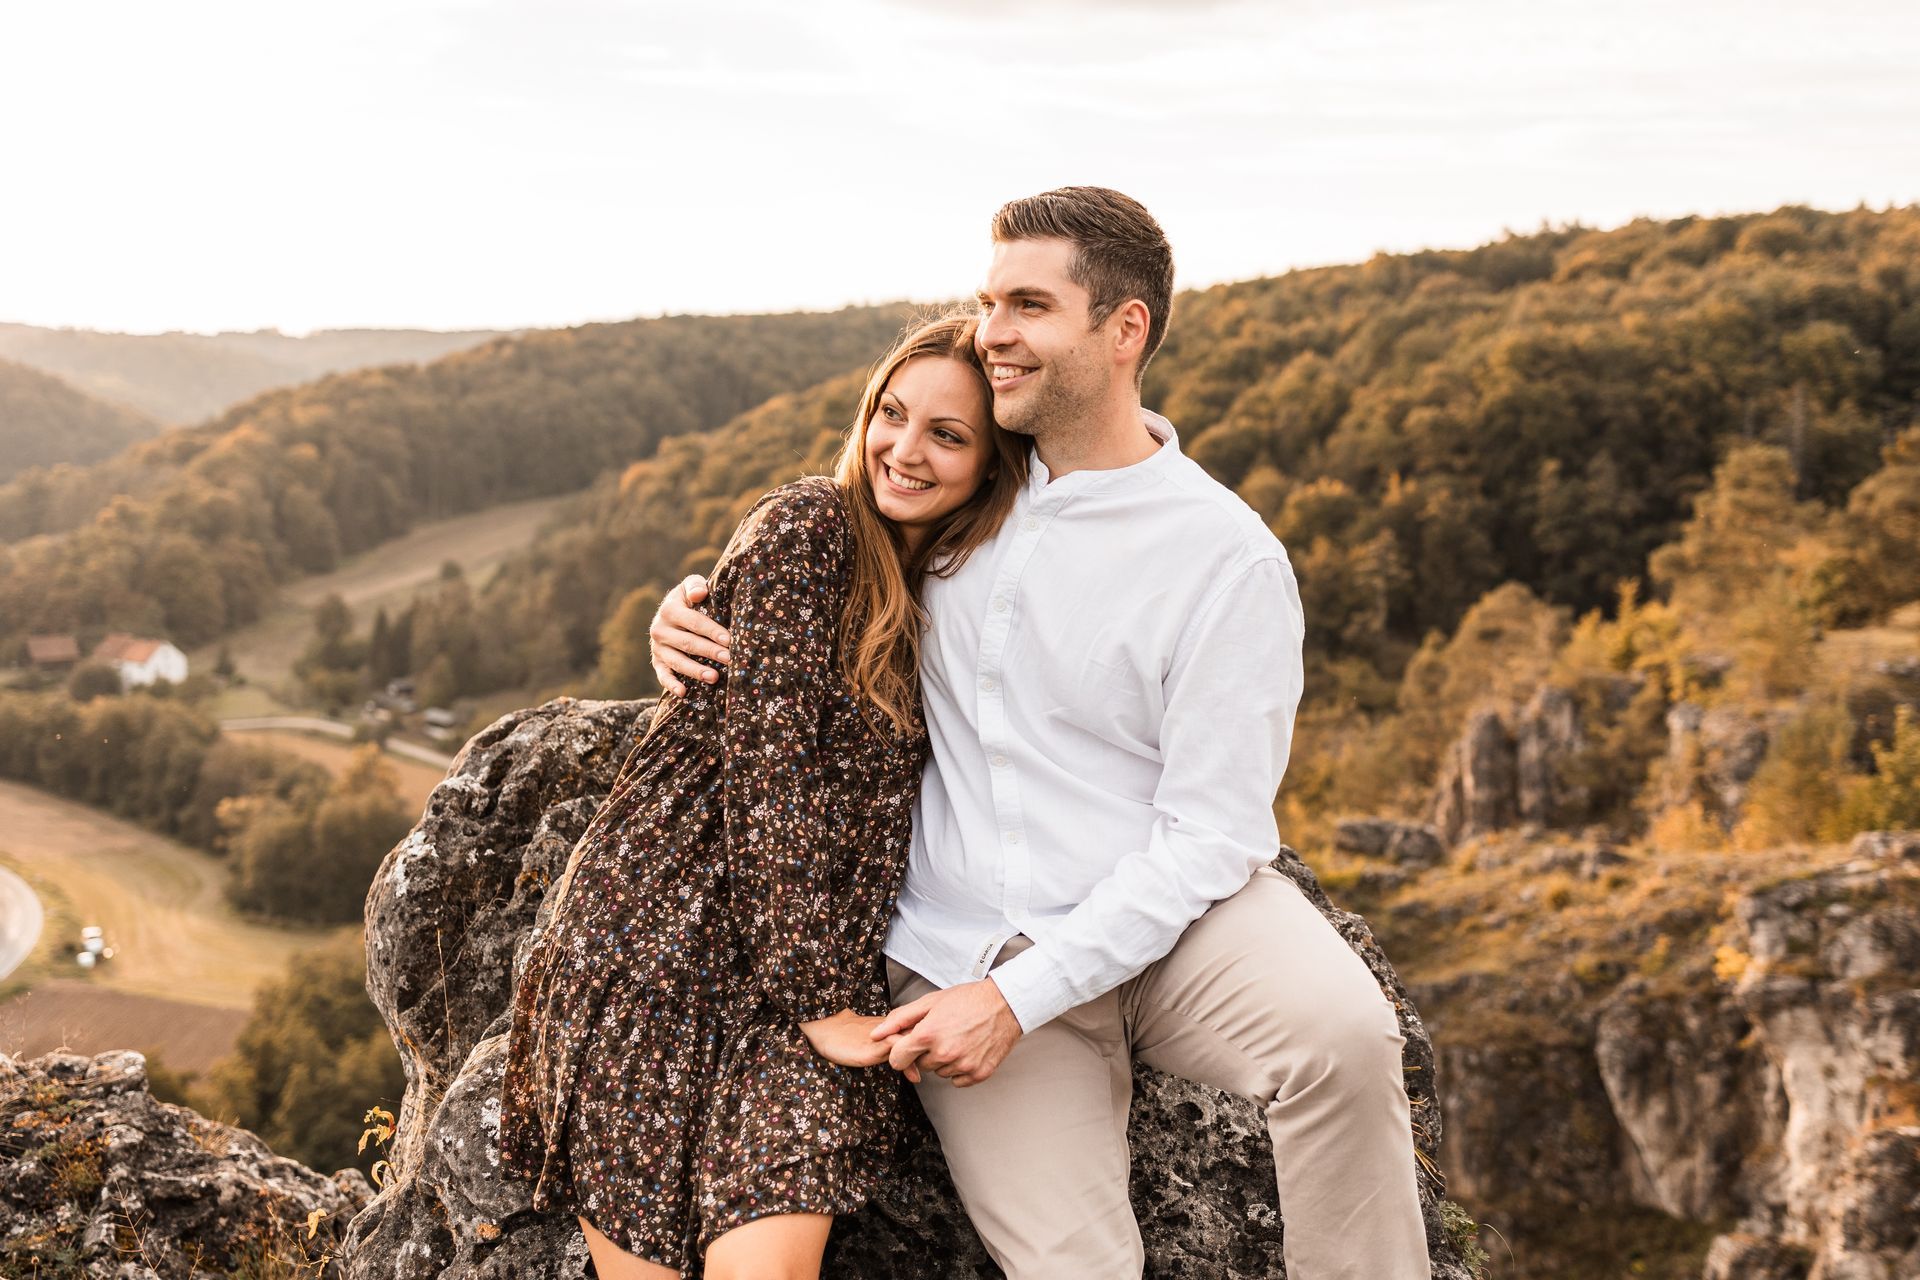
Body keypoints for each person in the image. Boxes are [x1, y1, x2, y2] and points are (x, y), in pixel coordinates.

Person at [650, 187, 1433, 1278]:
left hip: (1175, 925)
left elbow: (1213, 833)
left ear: (1125, 330)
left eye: (1028, 305)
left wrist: (1019, 1000)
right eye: (988, 302)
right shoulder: (963, 485)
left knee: (1345, 1037)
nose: (992, 333)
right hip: (961, 942)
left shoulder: (1226, 557)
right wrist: (696, 613)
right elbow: (824, 556)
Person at [497, 313, 1029, 1280]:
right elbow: (769, 776)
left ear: (995, 466)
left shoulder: (956, 587)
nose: (904, 450)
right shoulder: (810, 527)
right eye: (892, 414)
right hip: (664, 944)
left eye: (948, 435)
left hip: (797, 983)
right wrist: (825, 1004)